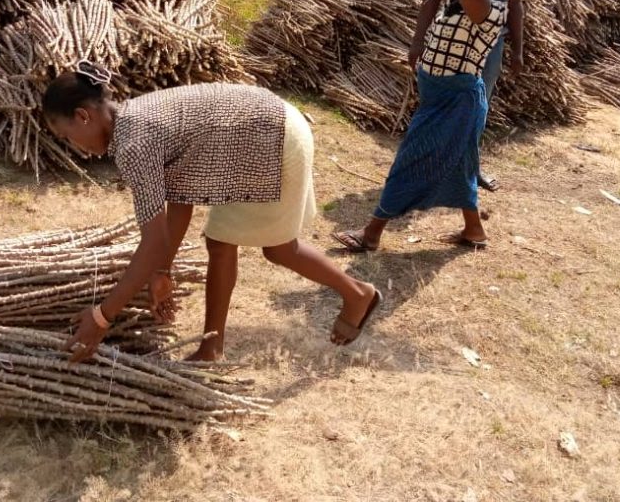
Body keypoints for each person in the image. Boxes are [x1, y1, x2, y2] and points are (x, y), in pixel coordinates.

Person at [43, 65, 381, 363]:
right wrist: (162, 270)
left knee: (277, 248)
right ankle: (211, 347)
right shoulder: (132, 119)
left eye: (66, 135)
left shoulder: (134, 145)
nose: (74, 145)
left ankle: (357, 294)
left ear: (83, 116)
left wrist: (102, 317)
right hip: (258, 132)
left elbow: (153, 241)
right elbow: (179, 202)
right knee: (221, 242)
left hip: (272, 138)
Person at [333, 0, 526, 253]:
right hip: (440, 94)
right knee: (462, 163)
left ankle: (372, 233)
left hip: (457, 99)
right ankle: (474, 231)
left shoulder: (489, 12)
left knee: (412, 157)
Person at [474, 0, 525, 192]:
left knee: (481, 103)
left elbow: (515, 2)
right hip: (462, 36)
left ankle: (471, 166)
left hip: (494, 40)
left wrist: (517, 49)